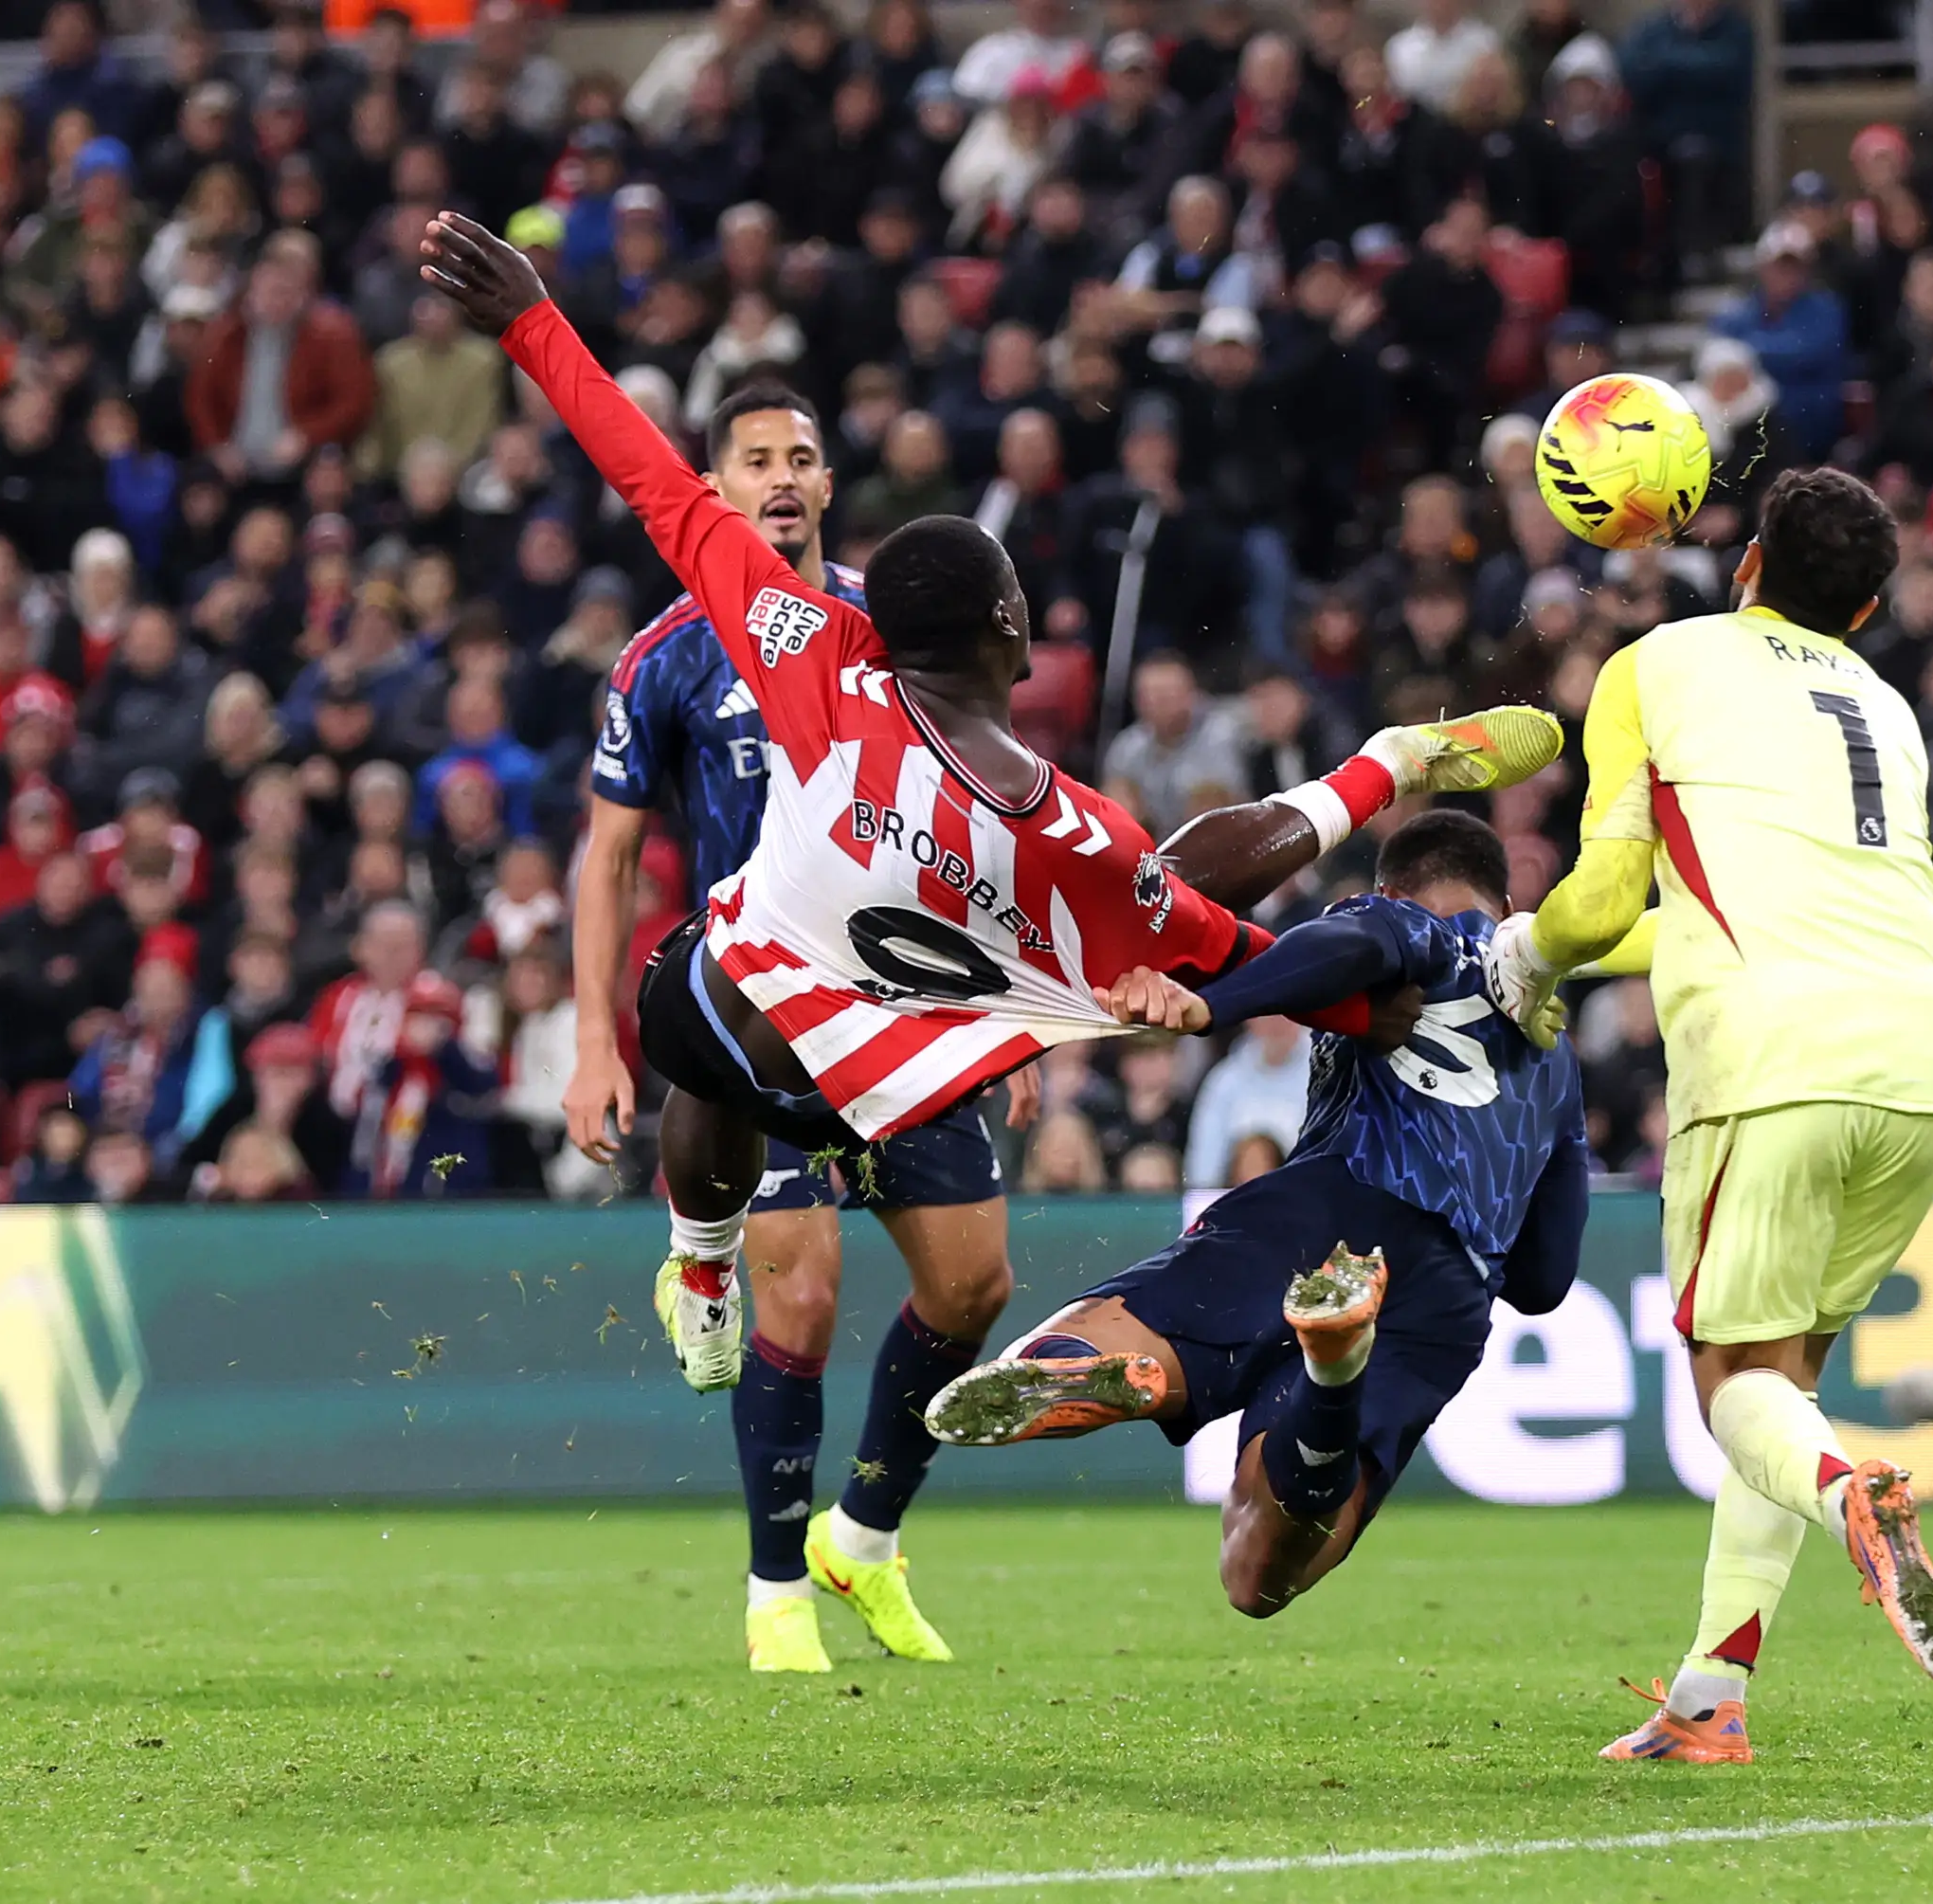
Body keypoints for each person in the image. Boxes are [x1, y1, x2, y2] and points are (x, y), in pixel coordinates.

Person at [417, 209, 1560, 1640]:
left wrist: (534, 317)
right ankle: (739, 1379)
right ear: (1016, 633)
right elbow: (1223, 924)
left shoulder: (810, 653)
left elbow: (651, 485)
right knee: (799, 1156)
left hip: (751, 1003)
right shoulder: (1072, 837)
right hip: (904, 1054)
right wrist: (1391, 899)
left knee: (693, 1014)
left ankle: (736, 1317)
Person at [1484, 466, 1933, 1763]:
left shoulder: (1662, 661)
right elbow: (1720, 903)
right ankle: (1711, 1700)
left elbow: (1600, 896)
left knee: (1732, 1389)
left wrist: (1528, 956)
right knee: (1784, 1380)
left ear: (1748, 560)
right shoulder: (1888, 706)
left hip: (1773, 1051)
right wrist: (1561, 951)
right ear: (1868, 609)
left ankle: (1848, 1498)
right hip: (1925, 1060)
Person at [564, 378, 1033, 1674]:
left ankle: (863, 1539)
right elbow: (606, 859)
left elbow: (972, 829)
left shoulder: (895, 638)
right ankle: (775, 1591)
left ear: (830, 487)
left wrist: (1009, 1012)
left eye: (803, 457)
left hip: (906, 1017)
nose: (781, 475)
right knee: (807, 1294)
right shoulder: (667, 655)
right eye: (754, 457)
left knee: (973, 1284)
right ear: (715, 489)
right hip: (761, 1024)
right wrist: (596, 1040)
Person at [926, 813, 1587, 1619]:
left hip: (1333, 1206)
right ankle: (1332, 1380)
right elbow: (1546, 1281)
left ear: (1390, 886)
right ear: (1509, 896)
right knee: (1258, 1574)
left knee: (1118, 1325)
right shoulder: (1556, 1052)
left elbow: (1349, 951)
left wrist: (1209, 1007)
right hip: (1448, 1302)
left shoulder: (1414, 926)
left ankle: (1099, 1363)